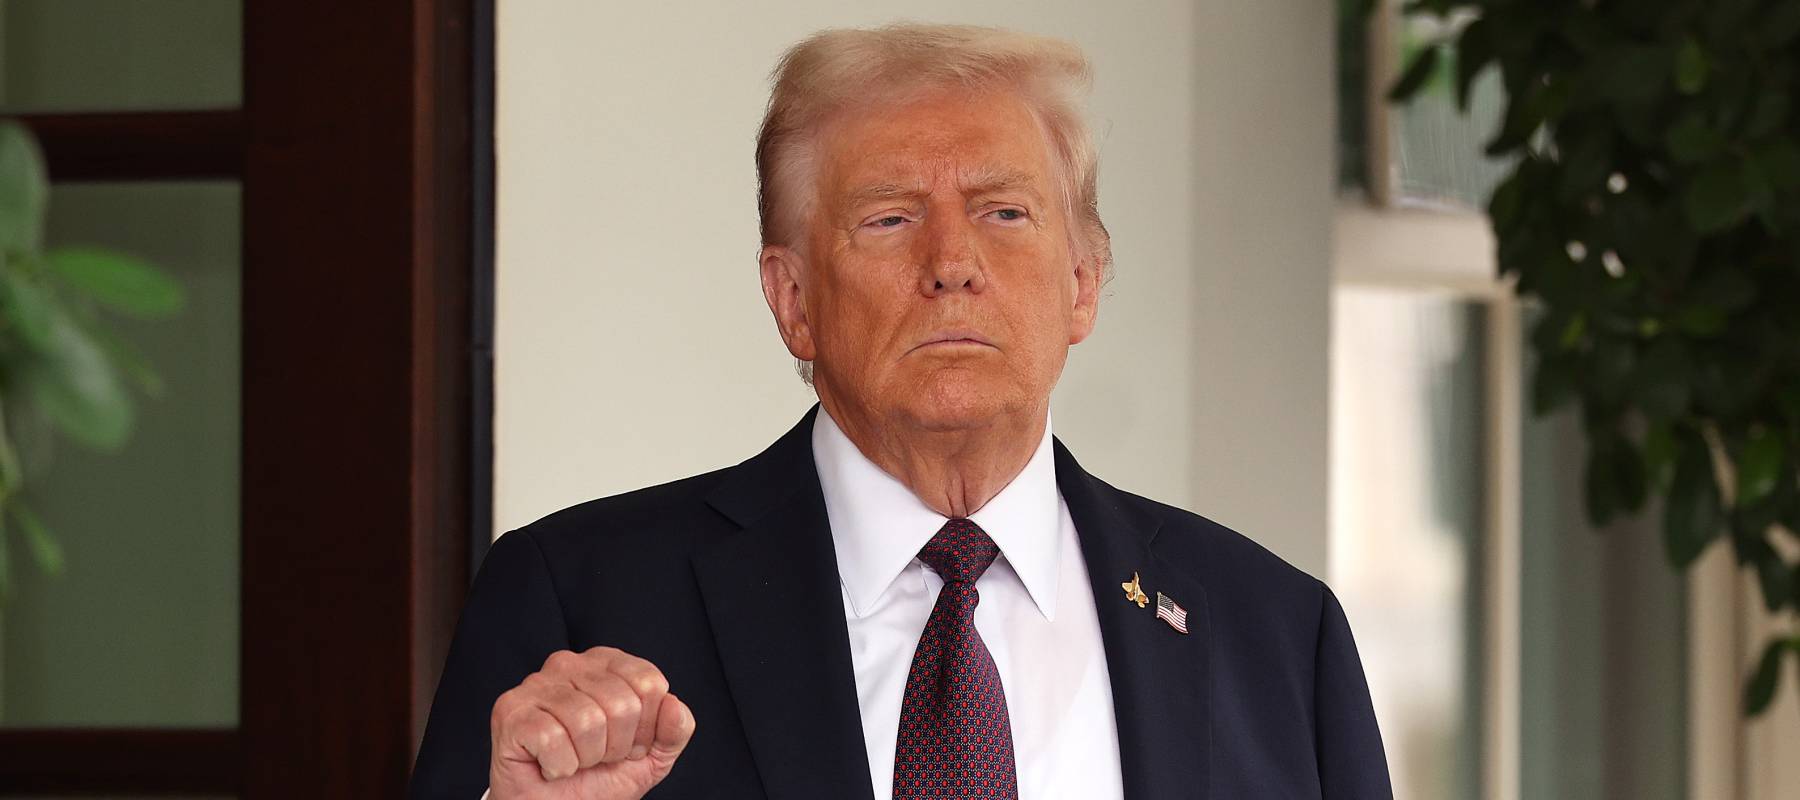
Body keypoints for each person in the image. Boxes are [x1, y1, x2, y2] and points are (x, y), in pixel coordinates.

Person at [410, 22, 1391, 800]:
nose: (952, 263)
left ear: (1084, 283)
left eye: (1005, 212)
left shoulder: (1273, 631)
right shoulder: (584, 597)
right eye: (888, 218)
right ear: (793, 297)